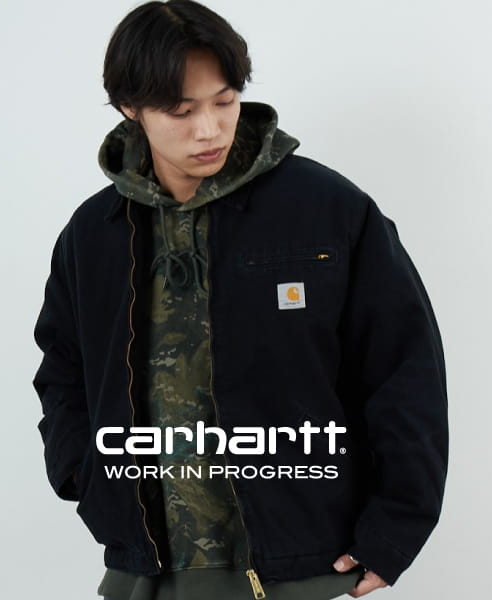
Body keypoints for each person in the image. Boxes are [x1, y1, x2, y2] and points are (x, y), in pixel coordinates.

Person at [31, 1, 449, 599]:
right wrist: (82, 471)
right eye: (181, 111)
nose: (208, 130)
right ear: (130, 107)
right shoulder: (93, 234)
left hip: (299, 567)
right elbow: (63, 369)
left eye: (224, 102)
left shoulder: (326, 209)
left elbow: (405, 368)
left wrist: (396, 529)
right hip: (145, 571)